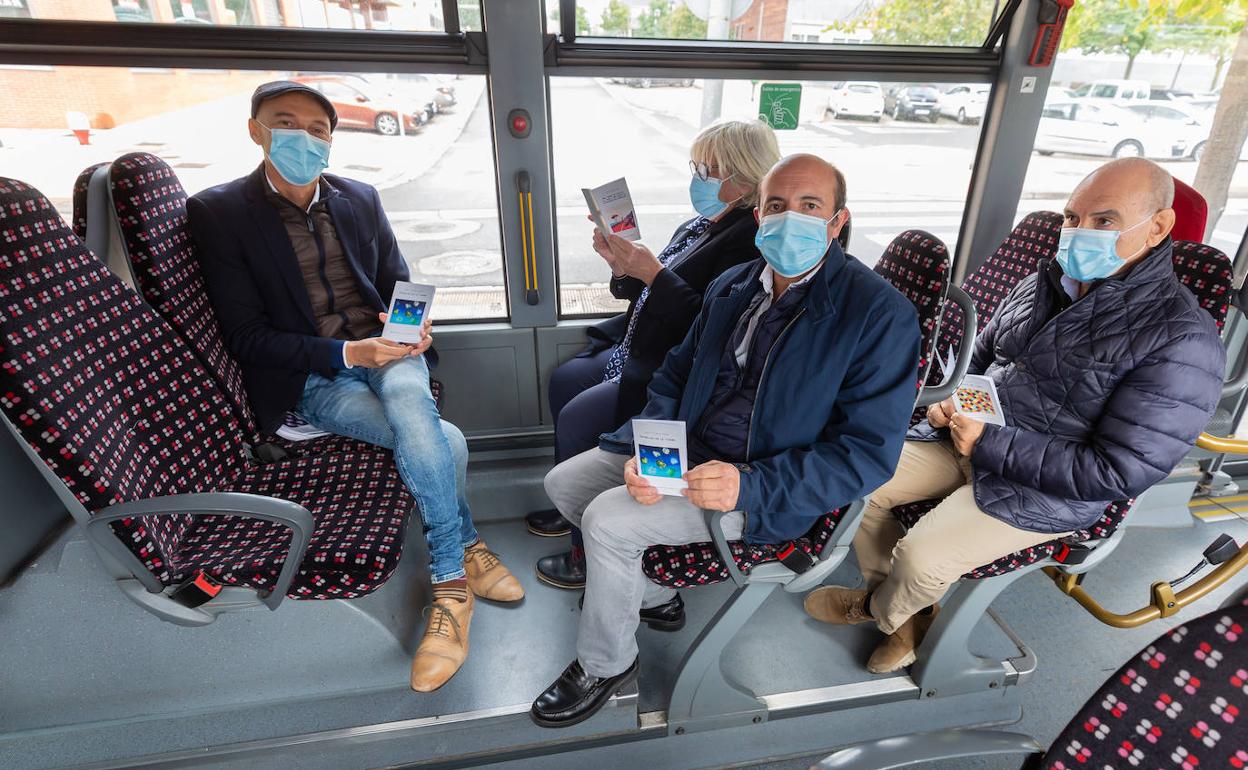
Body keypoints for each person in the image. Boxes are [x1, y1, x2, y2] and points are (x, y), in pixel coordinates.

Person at [529, 154, 922, 728]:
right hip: (690, 452)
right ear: (758, 215)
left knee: (608, 523)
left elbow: (865, 456)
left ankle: (607, 662)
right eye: (777, 206)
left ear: (838, 222)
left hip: (767, 489)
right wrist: (650, 449)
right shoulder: (735, 284)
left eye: (810, 206)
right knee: (565, 484)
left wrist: (748, 484)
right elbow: (674, 376)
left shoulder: (879, 316)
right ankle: (655, 595)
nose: (791, 219)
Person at [804, 158, 1226, 675]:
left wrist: (987, 444)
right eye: (1072, 218)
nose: (1076, 233)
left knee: (920, 557)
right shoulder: (1043, 281)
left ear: (1158, 227)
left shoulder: (1182, 338)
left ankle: (881, 611)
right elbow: (981, 357)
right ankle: (909, 617)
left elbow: (1119, 471)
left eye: (1103, 221)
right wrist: (953, 401)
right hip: (968, 436)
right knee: (857, 483)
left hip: (1050, 489)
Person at [187, 81, 524, 694]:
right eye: (286, 123)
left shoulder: (361, 198)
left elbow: (396, 282)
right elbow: (246, 337)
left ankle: (449, 580)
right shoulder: (221, 212)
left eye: (318, 130)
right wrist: (347, 350)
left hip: (387, 351)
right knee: (439, 437)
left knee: (407, 397)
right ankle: (465, 551)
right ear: (255, 129)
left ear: (331, 139)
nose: (305, 138)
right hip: (313, 372)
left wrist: (414, 329)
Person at [526, 120, 782, 591]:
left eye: (708, 169)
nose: (698, 178)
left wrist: (653, 274)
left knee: (579, 418)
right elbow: (641, 289)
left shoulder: (750, 240)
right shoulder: (701, 225)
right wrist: (621, 264)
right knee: (564, 380)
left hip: (666, 360)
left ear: (744, 179)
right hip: (636, 339)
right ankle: (574, 504)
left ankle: (587, 548)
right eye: (698, 166)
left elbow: (704, 323)